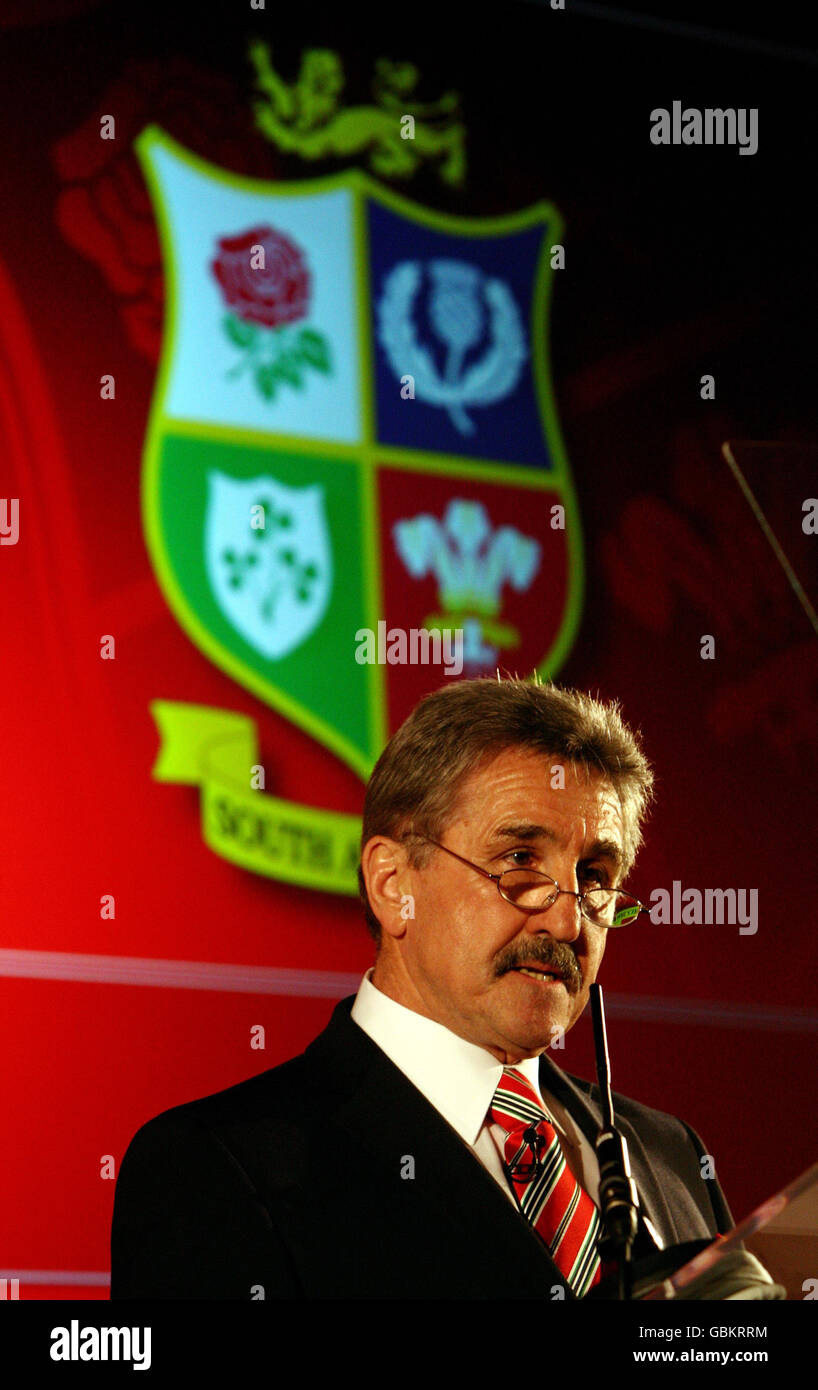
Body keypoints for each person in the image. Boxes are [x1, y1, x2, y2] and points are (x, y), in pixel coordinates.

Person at [110, 676, 737, 1300]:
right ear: (392, 885)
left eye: (595, 874)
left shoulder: (670, 1156)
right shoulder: (216, 1168)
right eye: (519, 860)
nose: (568, 920)